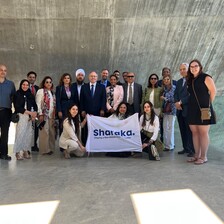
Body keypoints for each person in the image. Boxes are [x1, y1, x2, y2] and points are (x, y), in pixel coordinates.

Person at [187, 59, 216, 165]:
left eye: (195, 66)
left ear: (200, 67)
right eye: (191, 67)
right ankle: (197, 155)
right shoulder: (190, 79)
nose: (193, 68)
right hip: (192, 109)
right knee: (194, 132)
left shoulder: (206, 77)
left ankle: (204, 157)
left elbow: (213, 91)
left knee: (203, 133)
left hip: (204, 109)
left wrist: (208, 105)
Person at [13, 79, 37, 160]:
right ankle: (17, 152)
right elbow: (17, 107)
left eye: (27, 85)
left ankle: (25, 150)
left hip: (30, 117)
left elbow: (34, 105)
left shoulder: (30, 94)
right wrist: (30, 113)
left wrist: (34, 115)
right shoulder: (17, 94)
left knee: (28, 134)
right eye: (23, 84)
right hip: (21, 116)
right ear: (21, 85)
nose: (25, 86)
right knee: (20, 134)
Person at [80, 71, 106, 144]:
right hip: (86, 112)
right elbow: (81, 100)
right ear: (89, 77)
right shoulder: (84, 87)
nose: (93, 77)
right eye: (91, 76)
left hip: (98, 112)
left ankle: (96, 144)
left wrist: (102, 109)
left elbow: (103, 99)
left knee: (96, 129)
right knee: (86, 129)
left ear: (97, 77)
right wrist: (82, 110)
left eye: (94, 76)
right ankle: (86, 144)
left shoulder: (101, 87)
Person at [174, 63, 194, 157]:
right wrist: (176, 103)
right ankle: (185, 148)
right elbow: (175, 94)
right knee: (182, 129)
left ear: (188, 69)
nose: (182, 71)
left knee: (189, 130)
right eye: (180, 69)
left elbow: (191, 95)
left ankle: (191, 149)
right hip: (179, 110)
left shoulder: (192, 80)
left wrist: (181, 102)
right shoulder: (178, 82)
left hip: (188, 109)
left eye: (184, 69)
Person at [36, 76, 55, 155]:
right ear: (44, 83)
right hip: (44, 115)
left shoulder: (52, 92)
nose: (49, 83)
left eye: (50, 82)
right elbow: (37, 103)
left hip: (51, 115)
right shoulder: (41, 91)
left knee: (51, 132)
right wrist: (40, 114)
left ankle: (50, 148)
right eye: (47, 82)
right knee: (44, 132)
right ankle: (44, 150)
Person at [0, 64, 16, 160]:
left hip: (6, 111)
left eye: (5, 70)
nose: (3, 72)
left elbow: (14, 98)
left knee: (5, 133)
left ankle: (4, 154)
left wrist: (16, 111)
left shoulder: (10, 84)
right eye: (1, 70)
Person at [161, 74, 176, 151]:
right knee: (165, 128)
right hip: (165, 111)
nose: (166, 81)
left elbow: (173, 99)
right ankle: (166, 145)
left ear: (170, 80)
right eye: (165, 79)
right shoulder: (164, 89)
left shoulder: (173, 88)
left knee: (170, 128)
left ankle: (170, 145)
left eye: (167, 79)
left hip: (172, 110)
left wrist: (164, 98)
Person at [27, 71, 39, 152]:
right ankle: (27, 146)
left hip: (36, 111)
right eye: (30, 77)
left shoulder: (38, 88)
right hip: (27, 111)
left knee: (36, 129)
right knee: (28, 129)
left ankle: (34, 145)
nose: (32, 78)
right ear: (27, 77)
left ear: (35, 78)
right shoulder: (24, 86)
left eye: (33, 77)